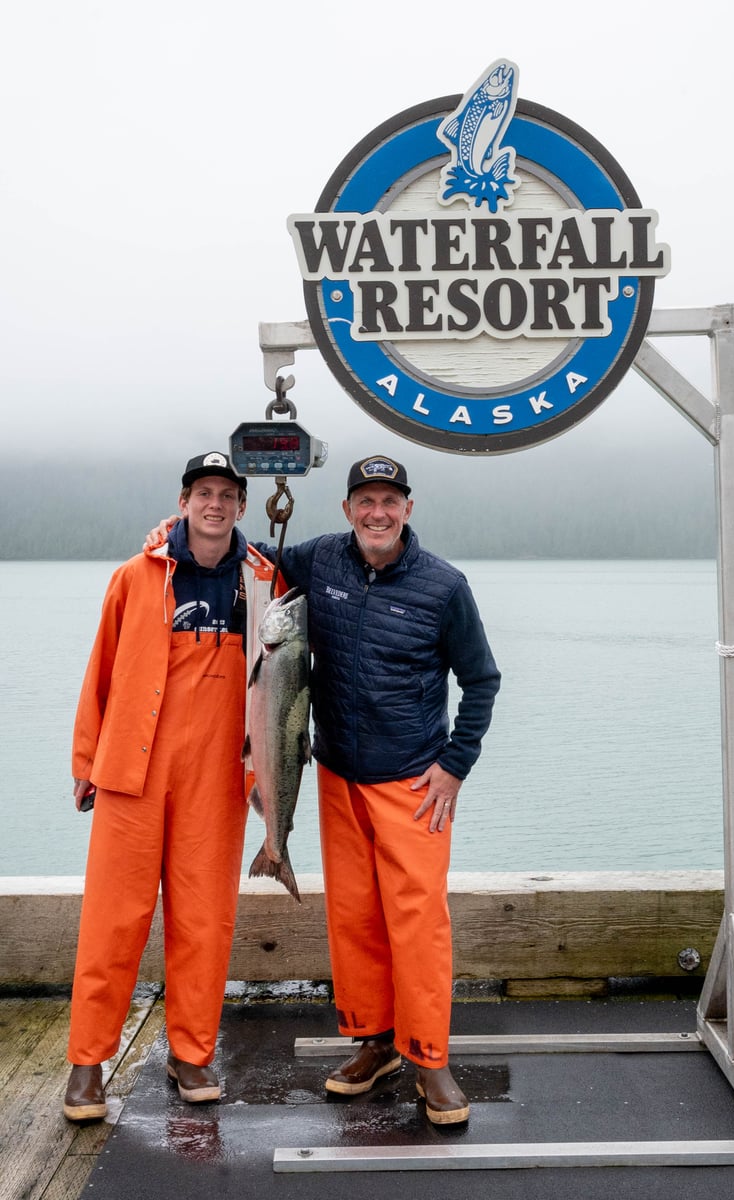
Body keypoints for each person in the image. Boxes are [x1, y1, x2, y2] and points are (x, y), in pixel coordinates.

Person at [148, 452, 501, 1124]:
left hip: (412, 784)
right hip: (336, 775)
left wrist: (455, 764)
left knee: (418, 925)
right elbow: (245, 556)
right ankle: (376, 1045)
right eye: (364, 501)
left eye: (389, 502)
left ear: (408, 509)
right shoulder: (319, 562)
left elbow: (481, 680)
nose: (376, 513)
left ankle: (429, 1057)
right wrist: (170, 535)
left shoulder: (444, 586)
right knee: (355, 919)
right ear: (346, 510)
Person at [64, 451, 276, 1122]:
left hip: (216, 777)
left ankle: (192, 1053)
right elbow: (101, 666)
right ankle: (87, 1064)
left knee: (204, 921)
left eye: (227, 494)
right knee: (112, 919)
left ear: (243, 506)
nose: (215, 503)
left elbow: (285, 681)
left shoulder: (265, 582)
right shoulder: (137, 574)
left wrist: (270, 778)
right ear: (183, 501)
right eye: (203, 492)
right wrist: (85, 759)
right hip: (133, 772)